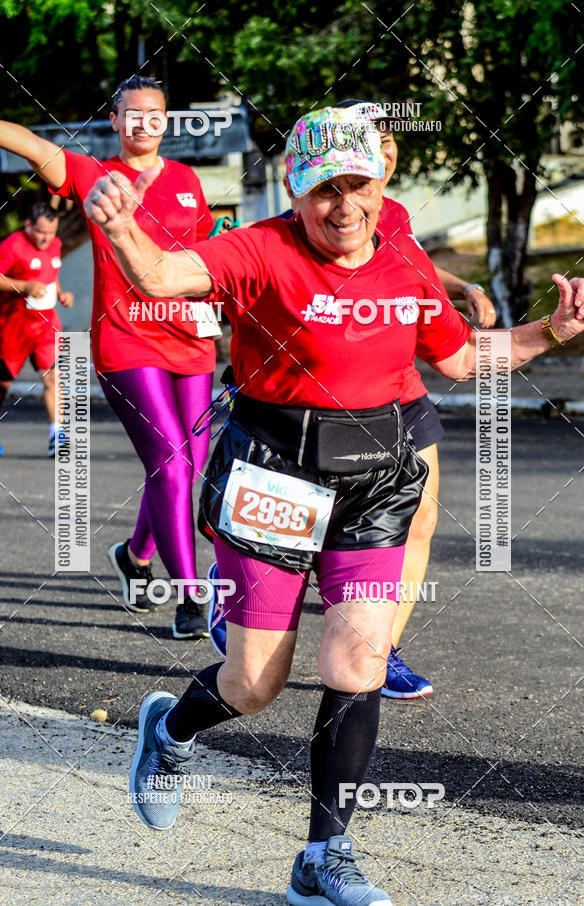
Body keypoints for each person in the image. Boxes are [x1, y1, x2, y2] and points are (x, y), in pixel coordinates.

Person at [83, 105, 584, 906]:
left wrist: (547, 333)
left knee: (359, 661)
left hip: (375, 484)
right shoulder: (260, 249)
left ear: (381, 182)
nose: (345, 206)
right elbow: (164, 276)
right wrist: (120, 230)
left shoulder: (404, 258)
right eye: (325, 190)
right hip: (273, 477)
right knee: (254, 684)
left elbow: (457, 358)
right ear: (296, 189)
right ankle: (170, 731)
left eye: (359, 184)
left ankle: (323, 856)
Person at [206, 98, 500, 698]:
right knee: (301, 527)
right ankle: (243, 581)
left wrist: (463, 287)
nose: (388, 149)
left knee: (417, 521)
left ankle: (380, 648)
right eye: (376, 140)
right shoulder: (310, 220)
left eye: (391, 142)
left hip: (398, 392)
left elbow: (411, 270)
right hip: (300, 405)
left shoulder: (387, 211)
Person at [0, 77, 215, 635]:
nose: (144, 123)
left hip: (191, 339)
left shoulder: (187, 181)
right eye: (132, 114)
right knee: (172, 462)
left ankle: (134, 557)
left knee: (189, 462)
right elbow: (33, 147)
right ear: (115, 121)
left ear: (167, 121)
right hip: (126, 340)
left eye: (155, 114)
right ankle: (188, 596)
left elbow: (208, 250)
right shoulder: (94, 172)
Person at [0, 201, 74, 457]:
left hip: (45, 326)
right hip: (12, 328)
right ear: (28, 225)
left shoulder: (55, 244)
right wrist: (24, 286)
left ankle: (57, 435)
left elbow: (52, 271)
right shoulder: (13, 245)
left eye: (52, 232)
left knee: (53, 377)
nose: (47, 238)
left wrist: (61, 293)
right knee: (2, 385)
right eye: (41, 232)